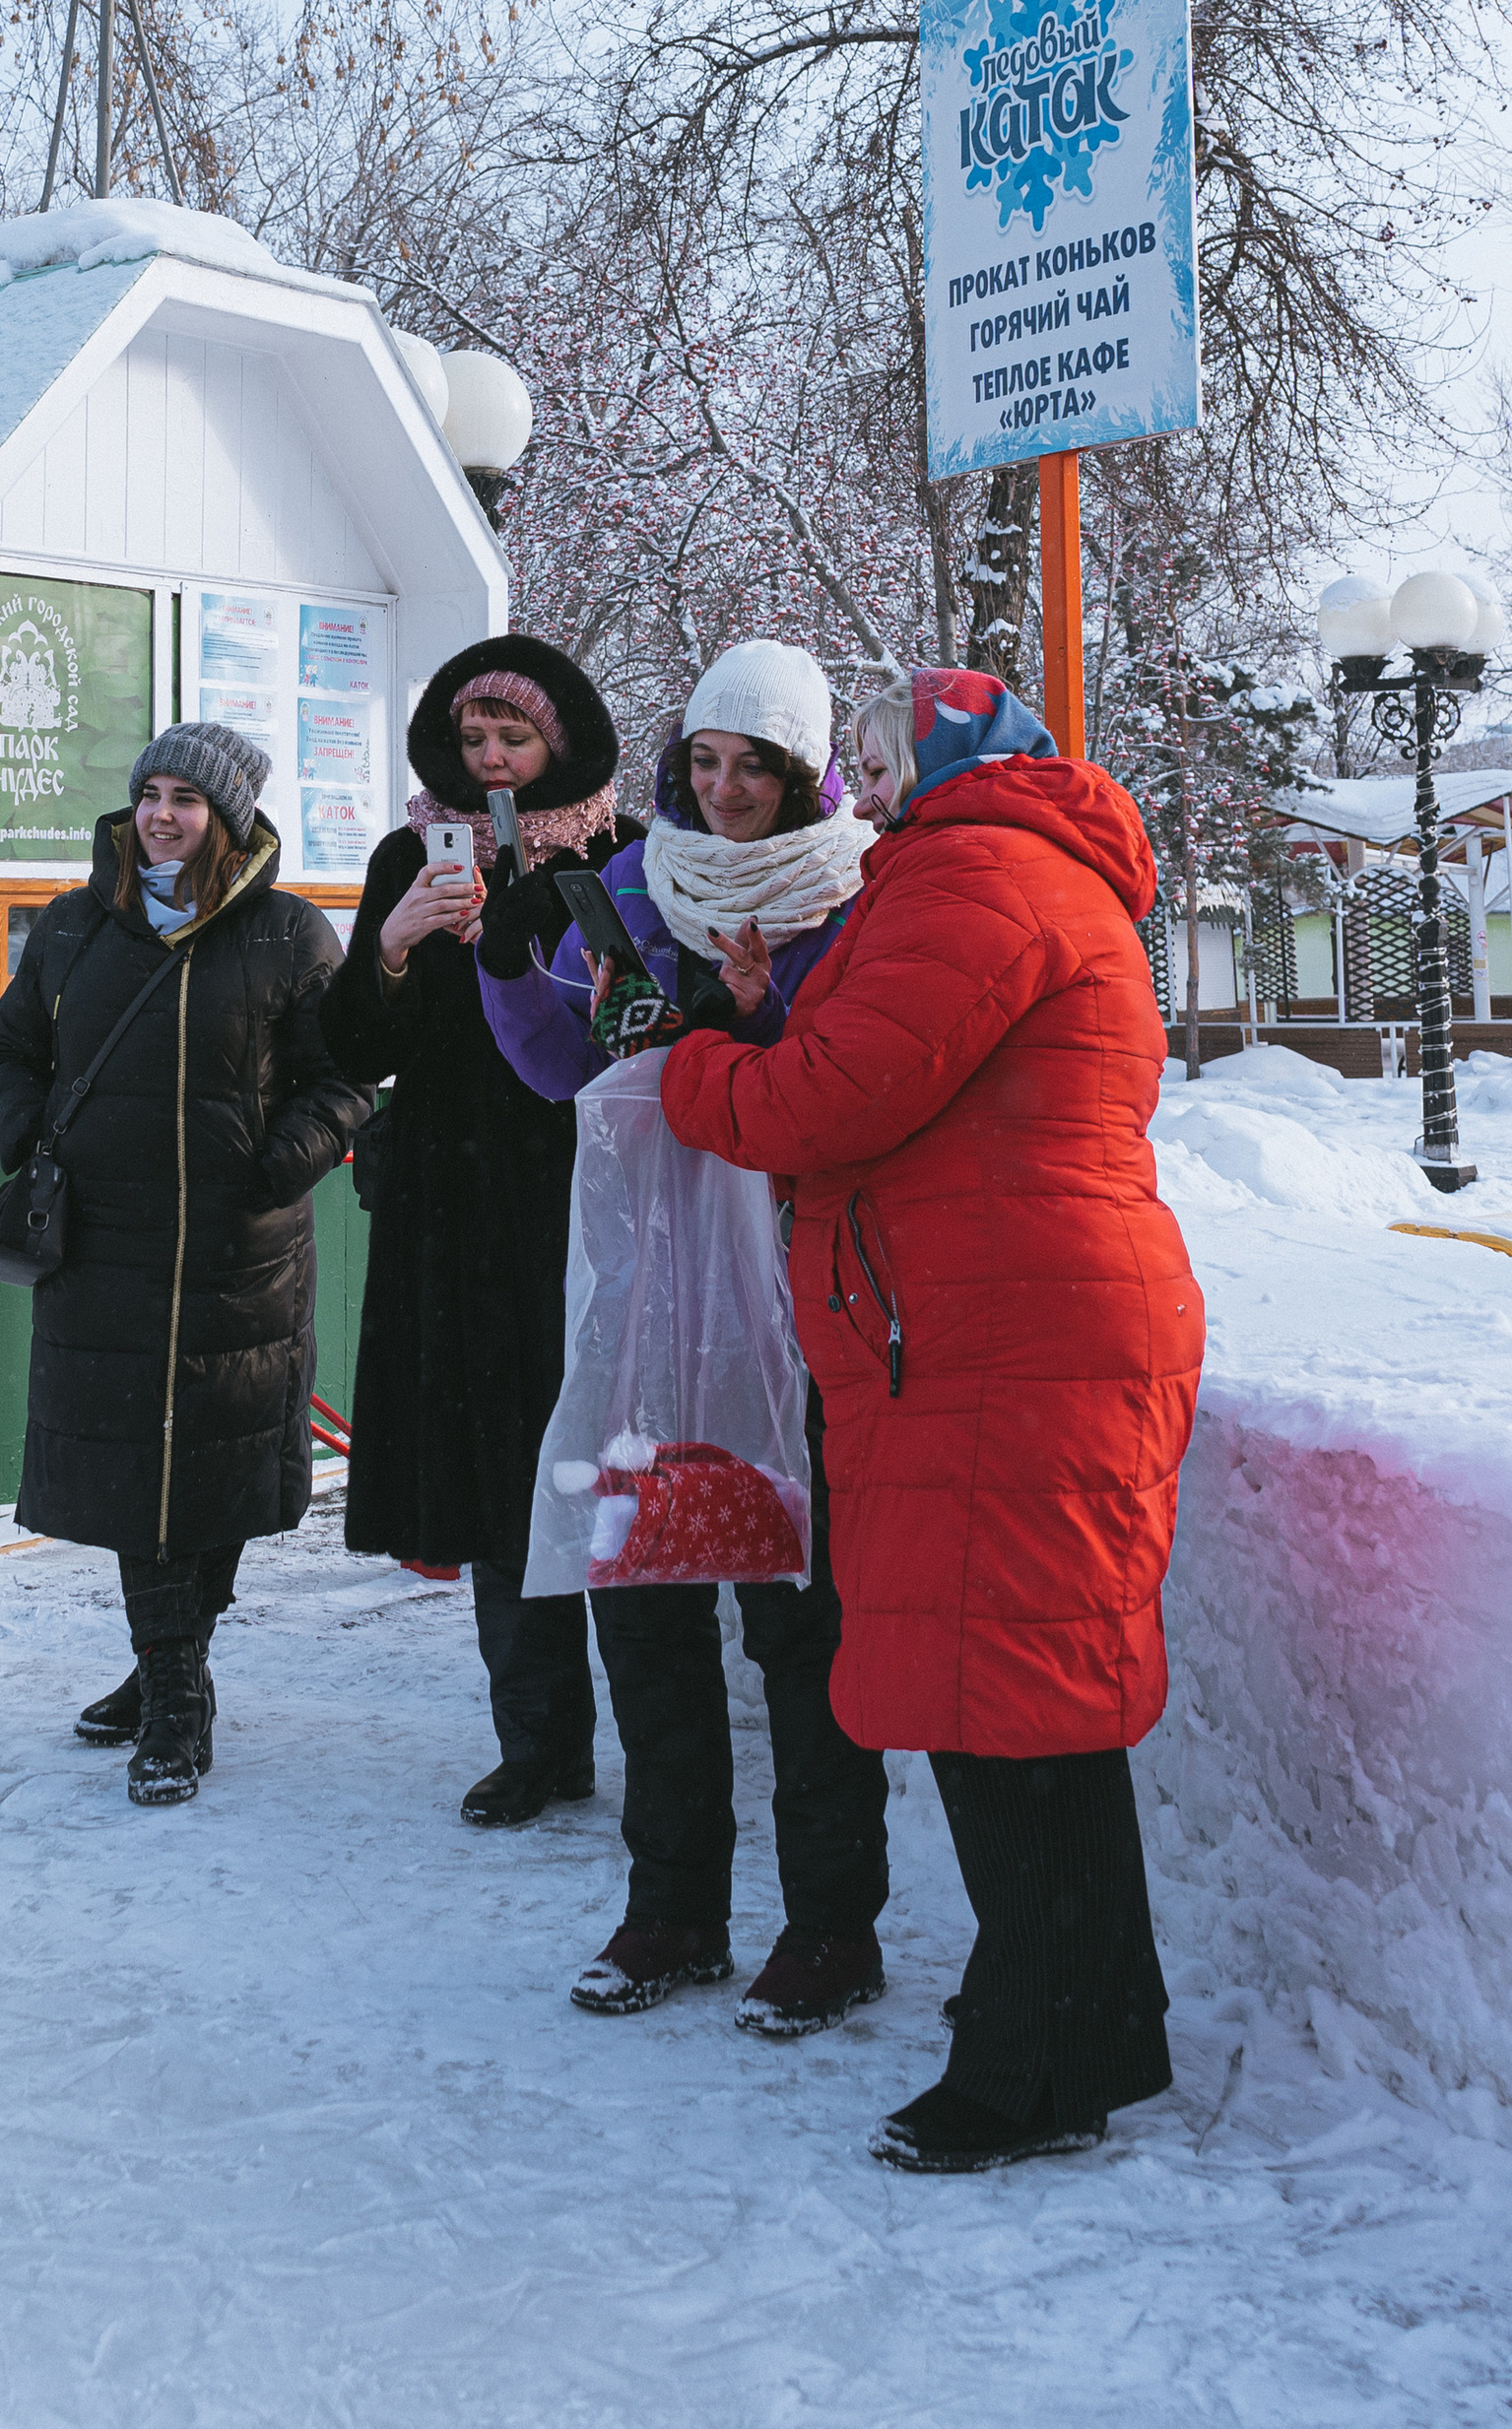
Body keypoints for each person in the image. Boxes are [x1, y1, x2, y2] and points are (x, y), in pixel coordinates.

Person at [661, 667, 1206, 2172]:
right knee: (1024, 1699)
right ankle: (1083, 2024)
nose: (868, 787)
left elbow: (826, 1106)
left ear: (940, 764)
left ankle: (1036, 2068)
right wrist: (783, 1014)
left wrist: (695, 1056)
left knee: (1007, 1710)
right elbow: (900, 1064)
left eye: (883, 761)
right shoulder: (999, 869)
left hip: (1003, 1341)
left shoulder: (975, 873)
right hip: (991, 1327)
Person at [481, 639, 889, 2041]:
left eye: (756, 767)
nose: (725, 792)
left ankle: (832, 1924)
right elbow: (569, 1070)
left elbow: (848, 1088)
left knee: (799, 1632)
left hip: (797, 1312)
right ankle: (675, 1909)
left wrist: (764, 1024)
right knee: (646, 1613)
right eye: (706, 762)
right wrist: (511, 969)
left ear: (804, 774)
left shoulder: (854, 898)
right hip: (657, 1311)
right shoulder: (645, 887)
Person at [0, 720, 367, 1809]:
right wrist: (26, 1134)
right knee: (132, 1473)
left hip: (240, 1256)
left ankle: (163, 1661)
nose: (160, 815)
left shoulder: (290, 938)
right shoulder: (72, 930)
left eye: (186, 800)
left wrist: (283, 1158)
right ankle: (177, 1696)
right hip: (104, 1252)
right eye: (149, 792)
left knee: (217, 1476)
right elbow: (10, 1052)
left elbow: (343, 1080)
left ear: (228, 819)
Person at [319, 641, 634, 1829]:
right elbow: (351, 1051)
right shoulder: (412, 853)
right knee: (498, 1476)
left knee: (604, 1467)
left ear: (564, 742)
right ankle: (539, 1741)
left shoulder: (620, 852)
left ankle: (660, 1733)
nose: (492, 762)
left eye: (514, 738)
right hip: (452, 1208)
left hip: (585, 1198)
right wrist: (392, 946)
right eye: (473, 741)